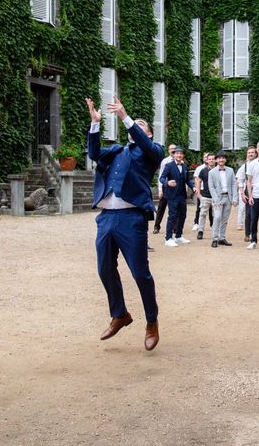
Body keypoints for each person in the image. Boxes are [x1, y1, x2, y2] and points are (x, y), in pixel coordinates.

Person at [86, 96, 164, 351]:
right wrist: (95, 123)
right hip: (106, 217)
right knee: (104, 269)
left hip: (132, 218)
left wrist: (125, 116)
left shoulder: (153, 151)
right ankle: (120, 314)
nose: (137, 127)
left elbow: (143, 141)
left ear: (149, 133)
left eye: (142, 125)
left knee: (140, 272)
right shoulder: (117, 150)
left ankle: (151, 322)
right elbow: (94, 154)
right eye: (135, 124)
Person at [160, 147, 194, 247]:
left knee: (183, 215)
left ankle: (178, 236)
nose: (179, 155)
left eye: (181, 154)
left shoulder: (184, 166)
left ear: (183, 155)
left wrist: (194, 187)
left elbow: (187, 180)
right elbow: (162, 178)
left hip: (182, 195)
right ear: (173, 155)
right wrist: (167, 182)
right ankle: (168, 238)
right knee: (172, 216)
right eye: (177, 153)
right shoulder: (168, 165)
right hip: (172, 195)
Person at [208, 150, 238, 248]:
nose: (221, 159)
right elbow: (211, 187)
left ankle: (222, 238)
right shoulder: (211, 172)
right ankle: (215, 238)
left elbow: (234, 184)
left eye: (223, 158)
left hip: (228, 198)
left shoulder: (230, 170)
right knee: (217, 218)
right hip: (218, 198)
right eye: (219, 158)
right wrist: (216, 200)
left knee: (225, 219)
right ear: (216, 160)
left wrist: (234, 198)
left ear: (225, 159)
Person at [153, 143, 176, 234]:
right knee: (161, 208)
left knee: (174, 208)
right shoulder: (165, 161)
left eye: (174, 149)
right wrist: (160, 189)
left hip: (175, 188)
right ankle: (157, 226)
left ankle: (174, 227)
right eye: (171, 149)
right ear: (169, 150)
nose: (173, 150)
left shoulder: (180, 161)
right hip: (165, 187)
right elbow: (161, 176)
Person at [236, 146, 258, 242]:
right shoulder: (244, 166)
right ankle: (247, 234)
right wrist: (241, 193)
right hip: (247, 190)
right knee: (248, 214)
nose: (250, 154)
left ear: (256, 154)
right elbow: (239, 179)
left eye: (252, 152)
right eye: (249, 153)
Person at [194, 152, 215, 240]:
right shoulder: (203, 171)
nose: (211, 160)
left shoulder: (218, 170)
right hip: (205, 195)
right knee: (202, 214)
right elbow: (198, 181)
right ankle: (200, 231)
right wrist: (198, 193)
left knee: (215, 215)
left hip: (215, 197)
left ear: (215, 160)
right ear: (207, 160)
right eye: (209, 159)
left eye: (213, 159)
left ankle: (215, 231)